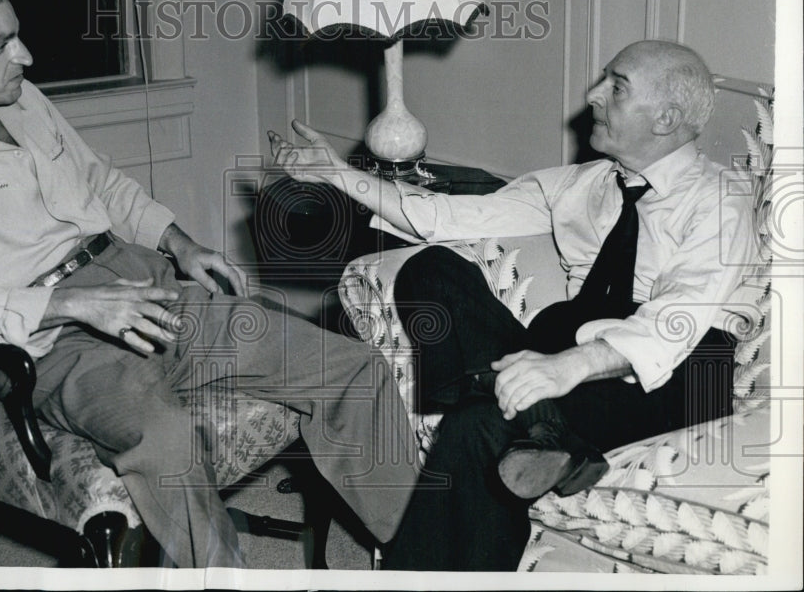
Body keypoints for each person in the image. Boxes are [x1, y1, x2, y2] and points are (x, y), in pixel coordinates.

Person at [0, 0, 421, 569]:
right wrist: (75, 304)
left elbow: (102, 183)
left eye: (17, 34)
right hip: (57, 344)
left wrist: (180, 245)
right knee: (166, 441)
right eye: (0, 44)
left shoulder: (23, 102)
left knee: (349, 367)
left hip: (149, 290)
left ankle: (426, 560)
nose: (24, 55)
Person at [271, 39, 756, 570]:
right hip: (571, 356)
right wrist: (338, 172)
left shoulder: (717, 198)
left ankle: (528, 439)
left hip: (676, 377)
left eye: (615, 87)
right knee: (430, 268)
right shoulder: (581, 184)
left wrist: (565, 367)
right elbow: (448, 217)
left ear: (666, 118)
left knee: (478, 424)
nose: (591, 96)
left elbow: (679, 317)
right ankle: (545, 429)